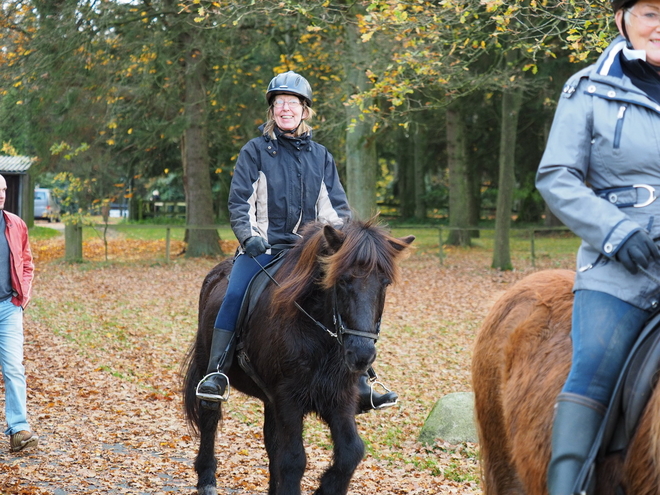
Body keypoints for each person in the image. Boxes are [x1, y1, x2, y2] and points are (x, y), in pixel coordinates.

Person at [196, 71, 398, 413]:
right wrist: (249, 237)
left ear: (305, 111)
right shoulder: (254, 152)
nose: (285, 109)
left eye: (292, 103)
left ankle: (362, 379)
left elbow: (335, 210)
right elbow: (239, 203)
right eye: (279, 103)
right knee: (233, 293)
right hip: (263, 249)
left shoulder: (321, 157)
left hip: (306, 253)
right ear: (272, 111)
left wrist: (338, 244)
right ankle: (216, 372)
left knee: (346, 296)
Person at [536, 1, 660, 493]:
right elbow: (557, 178)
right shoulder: (588, 88)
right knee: (593, 371)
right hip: (620, 270)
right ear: (622, 19)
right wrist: (616, 232)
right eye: (651, 12)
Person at [0, 175, 37, 452]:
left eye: (3, 190)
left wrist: (21, 296)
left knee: (14, 368)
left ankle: (19, 430)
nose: (1, 195)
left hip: (8, 307)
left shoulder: (16, 224)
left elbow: (26, 262)